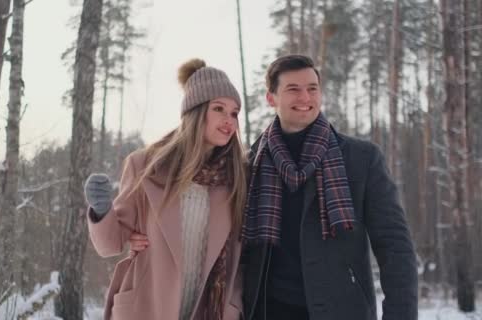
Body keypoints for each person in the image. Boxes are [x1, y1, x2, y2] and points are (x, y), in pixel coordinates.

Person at [240, 54, 418, 320]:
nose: (305, 98)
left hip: (342, 311)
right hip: (268, 311)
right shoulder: (251, 164)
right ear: (271, 98)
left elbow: (395, 247)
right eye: (293, 89)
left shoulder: (361, 159)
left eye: (312, 88)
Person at [84, 58, 247, 320]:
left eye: (234, 112)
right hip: (147, 307)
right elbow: (111, 244)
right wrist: (102, 210)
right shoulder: (146, 166)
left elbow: (241, 258)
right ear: (195, 111)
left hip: (207, 311)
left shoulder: (237, 177)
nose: (229, 120)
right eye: (219, 109)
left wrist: (234, 307)